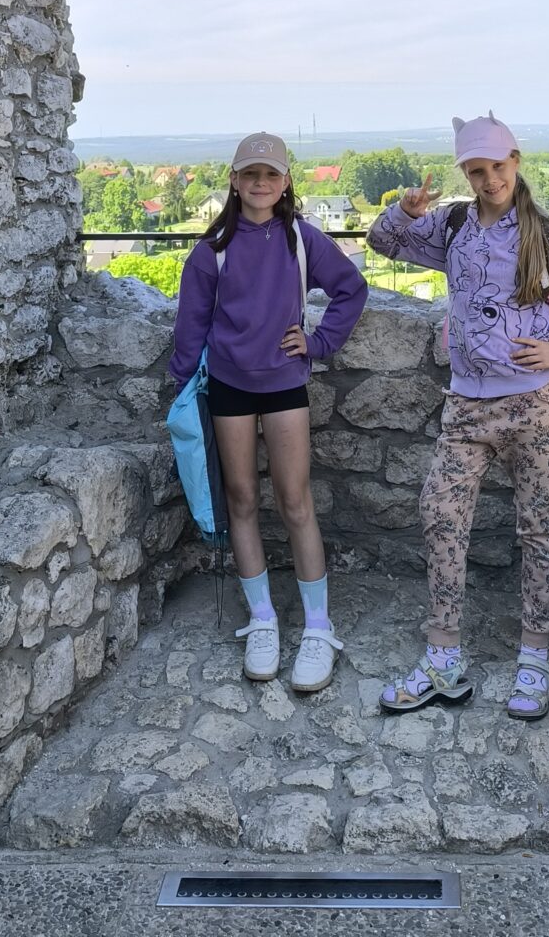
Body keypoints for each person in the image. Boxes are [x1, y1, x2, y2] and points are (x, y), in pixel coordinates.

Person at [366, 113, 549, 721]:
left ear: (515, 161)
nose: (489, 180)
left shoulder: (546, 233)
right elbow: (383, 244)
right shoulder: (453, 225)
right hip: (466, 405)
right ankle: (443, 659)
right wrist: (405, 212)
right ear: (466, 173)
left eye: (497, 167)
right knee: (441, 514)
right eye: (476, 171)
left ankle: (534, 656)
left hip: (535, 402)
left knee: (538, 528)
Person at [169, 132, 369, 692]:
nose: (261, 183)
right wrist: (183, 389)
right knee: (240, 499)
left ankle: (318, 626)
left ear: (286, 183)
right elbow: (191, 322)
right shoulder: (212, 250)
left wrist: (319, 341)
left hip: (284, 384)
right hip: (228, 386)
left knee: (295, 501)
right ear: (234, 181)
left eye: (271, 174)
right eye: (250, 174)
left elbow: (351, 289)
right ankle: (262, 619)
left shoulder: (302, 239)